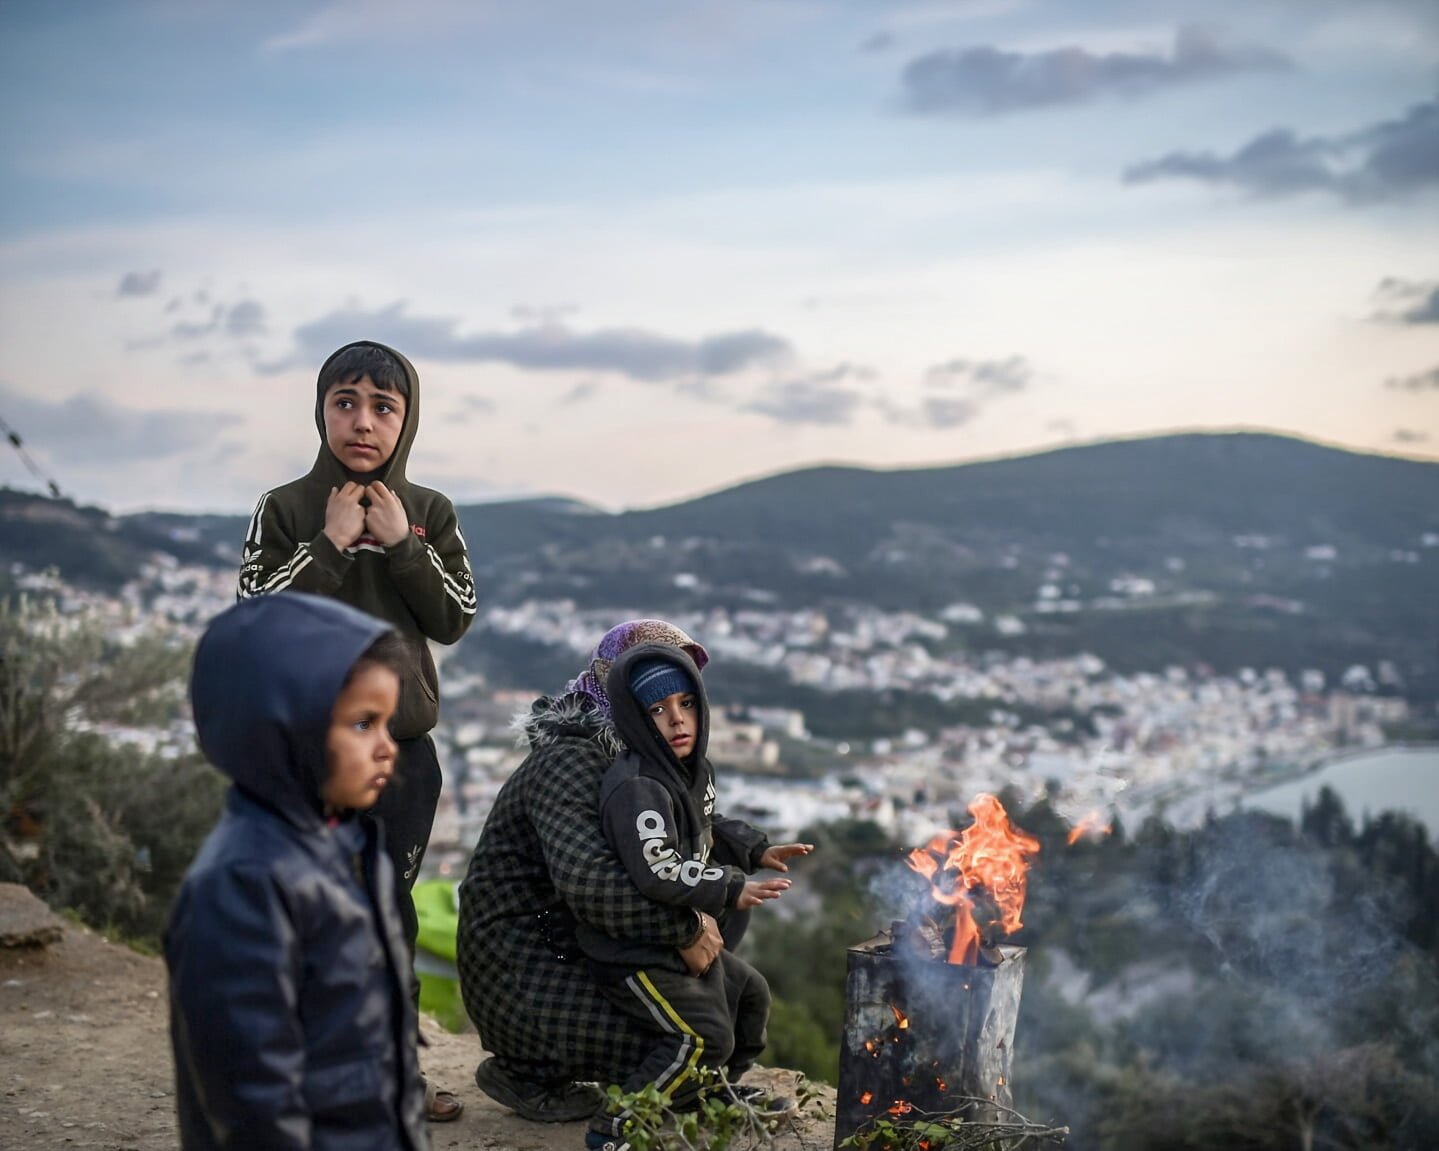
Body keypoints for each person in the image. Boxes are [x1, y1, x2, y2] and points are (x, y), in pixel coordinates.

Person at [238, 340, 475, 1121]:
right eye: (346, 401)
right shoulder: (286, 509)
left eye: (383, 405)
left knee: (386, 913)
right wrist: (330, 544)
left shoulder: (431, 512)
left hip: (401, 756)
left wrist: (403, 543)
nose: (362, 421)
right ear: (321, 411)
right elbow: (257, 617)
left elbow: (454, 615)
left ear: (405, 420)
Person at [164, 592, 427, 1151]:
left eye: (386, 722)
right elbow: (253, 1093)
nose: (387, 748)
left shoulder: (350, 844)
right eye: (362, 724)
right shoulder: (241, 883)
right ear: (283, 729)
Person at [457, 620, 729, 1124]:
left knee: (725, 1006)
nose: (676, 714)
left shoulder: (635, 759)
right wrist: (686, 930)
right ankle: (526, 1069)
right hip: (523, 967)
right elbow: (591, 884)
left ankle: (693, 1088)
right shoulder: (571, 763)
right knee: (681, 1040)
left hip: (571, 945)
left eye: (685, 695)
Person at [580, 644, 814, 1151]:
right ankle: (612, 1129)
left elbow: (708, 825)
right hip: (635, 952)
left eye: (686, 704)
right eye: (658, 711)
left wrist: (757, 848)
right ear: (636, 721)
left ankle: (710, 1094)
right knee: (701, 1036)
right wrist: (732, 887)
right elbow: (657, 868)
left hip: (679, 934)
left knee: (750, 997)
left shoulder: (691, 771)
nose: (677, 720)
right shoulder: (638, 787)